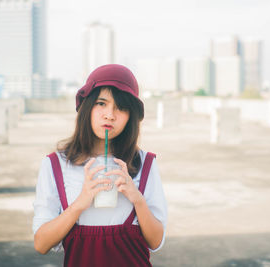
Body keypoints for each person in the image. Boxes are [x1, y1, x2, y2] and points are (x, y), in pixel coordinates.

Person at [32, 64, 168, 267]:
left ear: (131, 116)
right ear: (87, 106)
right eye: (101, 103)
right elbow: (41, 243)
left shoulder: (144, 163)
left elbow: (156, 241)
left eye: (121, 108)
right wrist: (80, 202)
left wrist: (137, 199)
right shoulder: (55, 164)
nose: (110, 115)